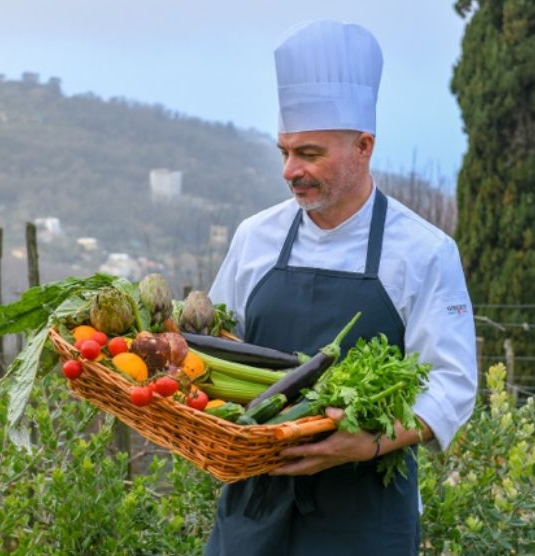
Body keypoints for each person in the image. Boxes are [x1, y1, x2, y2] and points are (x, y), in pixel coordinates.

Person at [203, 20, 478, 555]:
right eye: (284, 151)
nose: (290, 170)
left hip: (365, 518)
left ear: (364, 147)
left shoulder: (424, 252)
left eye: (309, 154)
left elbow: (452, 384)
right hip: (252, 512)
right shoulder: (254, 237)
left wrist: (366, 441)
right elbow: (212, 348)